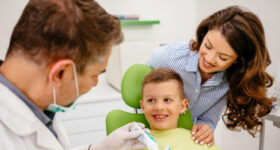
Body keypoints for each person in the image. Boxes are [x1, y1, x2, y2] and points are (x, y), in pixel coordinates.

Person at [0, 0, 147, 150]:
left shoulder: (36, 104)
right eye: (95, 74)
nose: (96, 82)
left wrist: (99, 148)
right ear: (61, 73)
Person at [146, 6, 274, 146]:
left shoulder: (228, 82)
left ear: (238, 59)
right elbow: (137, 97)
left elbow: (207, 119)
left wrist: (206, 128)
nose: (210, 59)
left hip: (181, 143)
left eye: (223, 57)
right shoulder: (166, 58)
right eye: (207, 46)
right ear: (203, 35)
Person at [139, 68, 220, 150]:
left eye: (167, 100)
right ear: (143, 107)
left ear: (182, 106)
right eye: (151, 100)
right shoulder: (134, 143)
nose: (159, 107)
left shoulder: (199, 141)